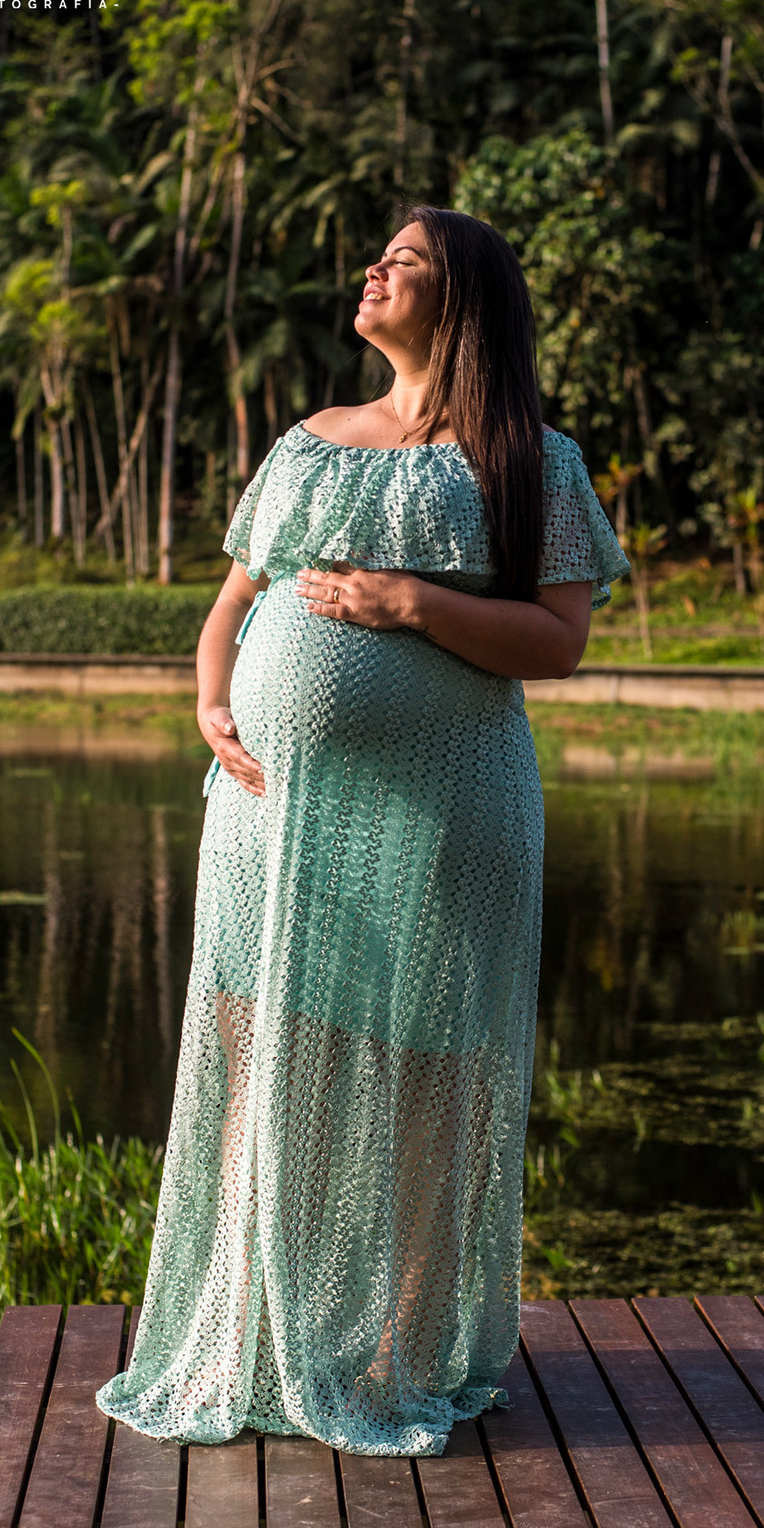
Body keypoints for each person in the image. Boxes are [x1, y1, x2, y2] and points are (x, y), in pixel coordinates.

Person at [96, 206, 629, 1456]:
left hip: (446, 818)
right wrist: (212, 701)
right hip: (269, 818)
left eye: (405, 260)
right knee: (254, 1068)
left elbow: (556, 643)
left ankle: (393, 1356)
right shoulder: (309, 441)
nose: (372, 270)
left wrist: (410, 601)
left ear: (466, 300)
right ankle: (248, 1334)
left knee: (433, 1086)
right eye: (376, 257)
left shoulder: (532, 462)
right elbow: (232, 605)